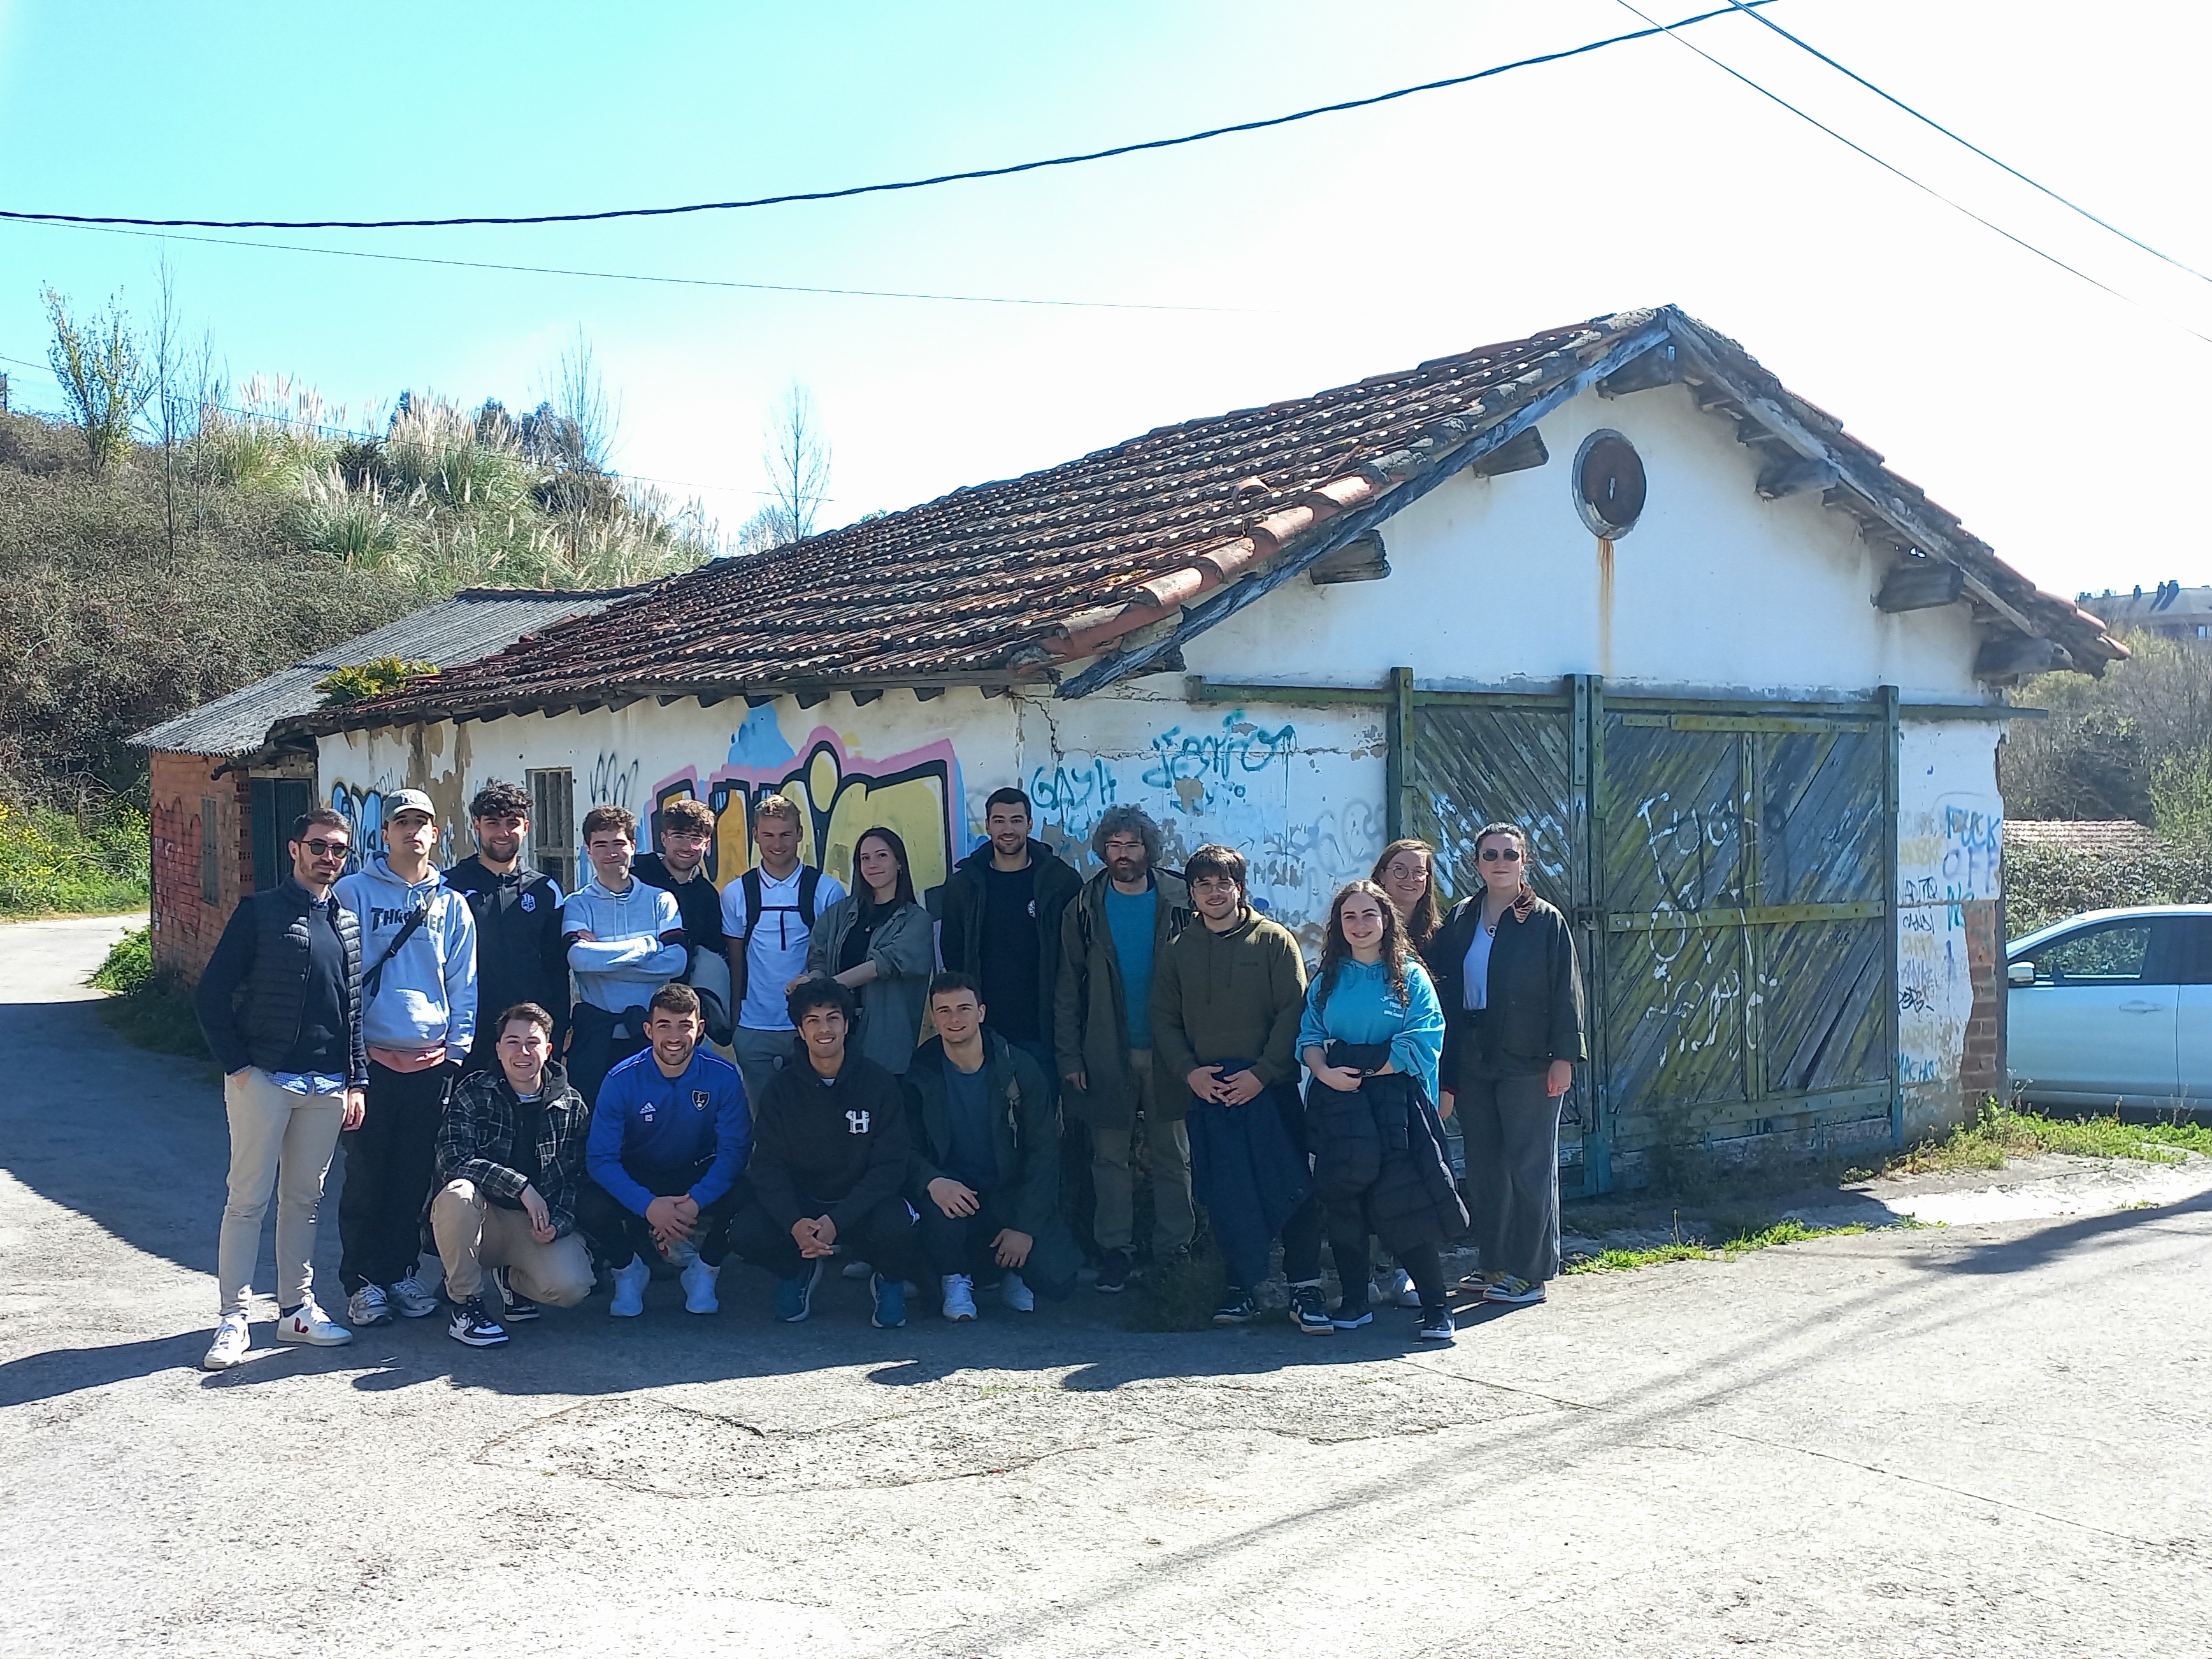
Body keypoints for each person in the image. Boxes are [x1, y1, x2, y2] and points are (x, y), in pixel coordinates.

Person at [194, 807, 367, 1369]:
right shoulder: (260, 913)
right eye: (319, 846)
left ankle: (296, 1308)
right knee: (248, 1200)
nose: (329, 858)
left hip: (327, 1084)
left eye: (339, 850)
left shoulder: (346, 921)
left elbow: (354, 1011)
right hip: (264, 1078)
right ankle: (233, 1318)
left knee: (305, 1202)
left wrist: (357, 1081)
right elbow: (212, 995)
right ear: (294, 849)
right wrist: (240, 1067)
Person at [1150, 844, 1323, 1328]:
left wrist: (1261, 1075)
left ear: (1240, 888)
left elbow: (1294, 1013)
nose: (1213, 893)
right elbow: (1163, 1019)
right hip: (1210, 1092)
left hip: (1269, 1088)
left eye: (1222, 883)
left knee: (1292, 1187)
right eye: (1203, 885)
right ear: (1191, 893)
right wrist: (1190, 1073)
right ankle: (1240, 1287)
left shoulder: (1274, 941)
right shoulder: (1178, 951)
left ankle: (1305, 1288)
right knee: (1226, 1194)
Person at [333, 787, 478, 1329]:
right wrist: (349, 1060)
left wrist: (456, 1055)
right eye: (402, 823)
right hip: (370, 1061)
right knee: (367, 1176)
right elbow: (339, 977)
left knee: (415, 1177)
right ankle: (363, 1282)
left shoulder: (451, 903)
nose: (412, 833)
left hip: (430, 1060)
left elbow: (463, 982)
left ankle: (400, 1272)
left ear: (435, 834)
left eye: (423, 823)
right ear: (385, 833)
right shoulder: (353, 893)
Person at [1428, 821, 1587, 1307]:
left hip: (1529, 1059)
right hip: (1474, 1056)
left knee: (1530, 1166)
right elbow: (1446, 991)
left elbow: (1567, 992)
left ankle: (1531, 1271)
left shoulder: (1545, 920)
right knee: (1485, 1166)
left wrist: (1564, 1058)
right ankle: (1493, 1262)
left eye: (1510, 855)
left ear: (1525, 863)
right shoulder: (1459, 917)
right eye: (1490, 855)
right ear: (1476, 863)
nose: (1500, 863)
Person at [1299, 881, 1462, 1342]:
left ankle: (1436, 1307)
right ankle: (1355, 1302)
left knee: (1402, 1200)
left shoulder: (1409, 976)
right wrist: (1326, 1073)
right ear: (1339, 926)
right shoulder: (1327, 979)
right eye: (1349, 917)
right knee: (1344, 1200)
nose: (1359, 925)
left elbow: (1425, 1038)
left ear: (1387, 920)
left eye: (1369, 915)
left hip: (1395, 1104)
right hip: (1338, 1101)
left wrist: (1365, 1065)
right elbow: (1309, 1038)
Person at [723, 977, 917, 1328]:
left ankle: (889, 1280)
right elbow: (768, 1166)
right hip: (804, 1208)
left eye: (833, 1018)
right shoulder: (780, 1091)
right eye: (813, 1020)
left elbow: (890, 1167)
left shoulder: (879, 1083)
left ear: (847, 1024)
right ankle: (795, 1270)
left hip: (860, 1208)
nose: (824, 1029)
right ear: (799, 1029)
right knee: (746, 1231)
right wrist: (795, 1224)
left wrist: (838, 1221)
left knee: (898, 1223)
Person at [1054, 803, 1193, 1293]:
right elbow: (1067, 986)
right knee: (1108, 1157)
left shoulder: (1181, 899)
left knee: (1172, 1155)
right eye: (1114, 846)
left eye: (1132, 845)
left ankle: (1175, 1251)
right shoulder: (1085, 907)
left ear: (1148, 849)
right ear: (1103, 850)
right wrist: (1070, 1057)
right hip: (1105, 1051)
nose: (1123, 854)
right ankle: (1116, 1250)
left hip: (1169, 1050)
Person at [905, 972, 1079, 1319]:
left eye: (964, 1009)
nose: (955, 1019)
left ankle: (1011, 1273)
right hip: (953, 1192)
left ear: (981, 1013)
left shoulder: (1020, 1068)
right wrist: (933, 1181)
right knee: (940, 1209)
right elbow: (905, 1147)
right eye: (945, 1011)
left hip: (1007, 1192)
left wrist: (1025, 1228)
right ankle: (955, 1279)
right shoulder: (920, 1071)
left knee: (1058, 1281)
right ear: (934, 1018)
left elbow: (1044, 1153)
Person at [577, 983, 751, 1318]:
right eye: (664, 1026)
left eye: (684, 1025)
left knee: (746, 1194)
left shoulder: (724, 1076)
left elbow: (735, 1150)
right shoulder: (620, 1079)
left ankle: (705, 1269)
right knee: (589, 1205)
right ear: (648, 1030)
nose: (674, 1036)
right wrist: (649, 1206)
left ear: (700, 1029)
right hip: (639, 1174)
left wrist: (696, 1201)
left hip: (694, 1174)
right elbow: (601, 1159)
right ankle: (628, 1269)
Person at [429, 1002, 596, 1346]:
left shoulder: (572, 1105)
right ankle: (466, 1303)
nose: (523, 1052)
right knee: (457, 1193)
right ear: (499, 1049)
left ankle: (513, 1280)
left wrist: (557, 1225)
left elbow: (573, 1180)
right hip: (479, 1220)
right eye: (513, 1042)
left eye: (533, 1043)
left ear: (549, 1050)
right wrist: (520, 1186)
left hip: (530, 1226)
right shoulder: (474, 1091)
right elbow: (452, 1160)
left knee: (571, 1288)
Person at [938, 786, 1080, 1100]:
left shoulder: (1061, 882)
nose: (1008, 829)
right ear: (987, 826)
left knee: (1041, 1119)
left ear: (1030, 824)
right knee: (990, 1119)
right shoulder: (964, 885)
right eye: (999, 821)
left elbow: (1076, 955)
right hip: (985, 1029)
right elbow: (953, 951)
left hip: (1042, 1026)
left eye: (1016, 820)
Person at [721, 794, 847, 1109]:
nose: (777, 844)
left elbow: (834, 961)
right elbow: (736, 961)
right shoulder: (736, 893)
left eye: (785, 834)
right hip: (754, 1027)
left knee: (817, 1113)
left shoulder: (827, 890)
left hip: (812, 1026)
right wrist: (736, 1020)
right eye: (768, 835)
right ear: (755, 836)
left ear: (800, 833)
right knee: (763, 1118)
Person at [563, 804, 689, 1109]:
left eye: (619, 843)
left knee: (650, 1123)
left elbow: (676, 962)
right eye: (601, 845)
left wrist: (602, 956)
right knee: (594, 1125)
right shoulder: (577, 904)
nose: (611, 853)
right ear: (588, 851)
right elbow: (579, 961)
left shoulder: (661, 900)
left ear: (633, 846)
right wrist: (647, 946)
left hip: (650, 1037)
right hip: (596, 1041)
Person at [1368, 835, 1447, 1309]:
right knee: (1374, 1170)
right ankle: (1376, 1268)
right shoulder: (1359, 925)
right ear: (1380, 876)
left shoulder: (1443, 936)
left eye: (1420, 871)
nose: (1410, 879)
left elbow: (1447, 1015)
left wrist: (1449, 1081)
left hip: (1424, 1074)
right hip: (1373, 1077)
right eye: (1400, 869)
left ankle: (1409, 1271)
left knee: (1417, 1175)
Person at [445, 780, 570, 1075]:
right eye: (492, 823)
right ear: (477, 825)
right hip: (468, 1033)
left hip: (527, 1036)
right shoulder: (450, 887)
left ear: (526, 827)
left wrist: (562, 1027)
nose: (503, 833)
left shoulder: (546, 890)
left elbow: (557, 968)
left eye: (512, 823)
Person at [805, 825, 933, 1076]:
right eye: (865, 858)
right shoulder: (839, 913)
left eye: (882, 856)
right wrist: (810, 983)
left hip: (886, 1048)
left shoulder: (917, 920)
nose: (872, 864)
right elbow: (818, 958)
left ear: (899, 863)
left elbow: (886, 963)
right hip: (836, 1043)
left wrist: (828, 987)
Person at [632, 796, 731, 1040]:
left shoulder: (707, 896)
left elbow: (709, 956)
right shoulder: (636, 873)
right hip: (627, 1000)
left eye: (695, 839)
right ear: (664, 838)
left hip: (676, 1015)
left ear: (707, 844)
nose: (686, 846)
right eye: (678, 836)